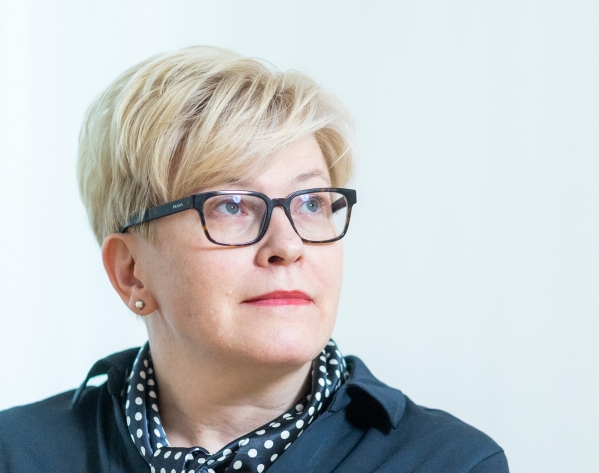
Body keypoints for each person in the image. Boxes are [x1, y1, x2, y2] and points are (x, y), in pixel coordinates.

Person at [0, 46, 508, 473]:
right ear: (131, 272)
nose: (288, 245)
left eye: (311, 204)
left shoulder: (451, 463)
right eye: (231, 206)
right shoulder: (16, 454)